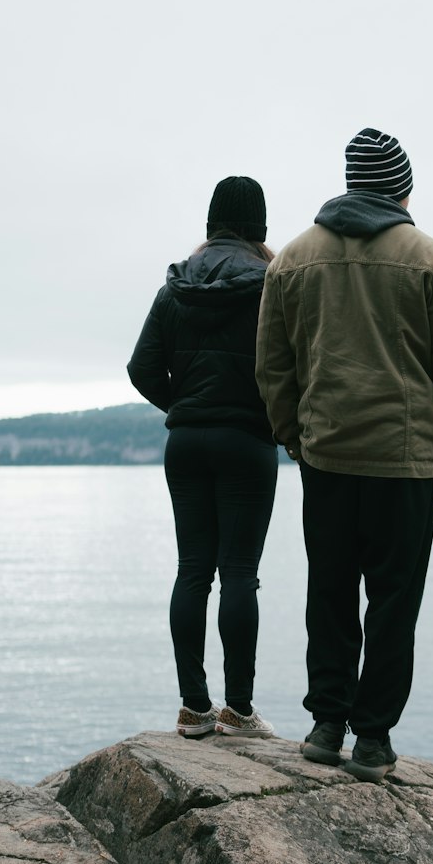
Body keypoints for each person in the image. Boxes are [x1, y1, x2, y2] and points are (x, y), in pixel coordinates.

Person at [255, 128, 433, 781]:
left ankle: (326, 725)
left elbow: (272, 363)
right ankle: (373, 739)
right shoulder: (431, 258)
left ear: (351, 183)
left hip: (325, 454)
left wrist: (293, 434)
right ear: (402, 187)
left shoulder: (293, 258)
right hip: (406, 460)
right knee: (392, 601)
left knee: (329, 592)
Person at [128, 176, 277, 740]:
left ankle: (194, 708)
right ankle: (237, 711)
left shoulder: (174, 288)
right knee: (239, 573)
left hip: (185, 444)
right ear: (258, 227)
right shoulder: (271, 286)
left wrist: (186, 408)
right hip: (248, 443)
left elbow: (141, 369)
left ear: (211, 222)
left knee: (193, 571)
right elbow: (292, 365)